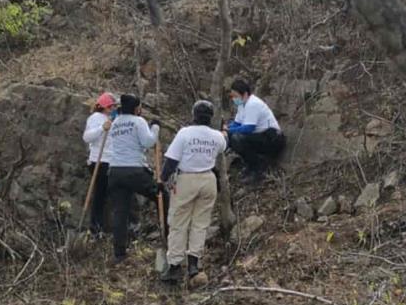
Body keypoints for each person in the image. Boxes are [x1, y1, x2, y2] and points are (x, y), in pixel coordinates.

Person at [160, 100, 227, 283]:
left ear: (194, 115)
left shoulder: (185, 133)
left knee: (178, 222)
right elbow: (223, 145)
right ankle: (193, 265)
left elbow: (171, 161)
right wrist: (224, 131)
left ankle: (174, 266)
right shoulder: (216, 136)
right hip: (208, 181)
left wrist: (161, 179)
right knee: (200, 223)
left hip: (186, 180)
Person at [106, 94, 165, 263]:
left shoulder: (116, 123)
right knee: (162, 196)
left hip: (115, 171)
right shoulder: (137, 121)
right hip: (134, 170)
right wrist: (155, 127)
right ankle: (168, 234)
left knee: (120, 212)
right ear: (135, 108)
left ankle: (119, 253)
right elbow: (148, 142)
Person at [224, 79, 285, 184]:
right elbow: (237, 123)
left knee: (237, 138)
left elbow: (249, 128)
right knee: (231, 136)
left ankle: (257, 170)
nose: (234, 99)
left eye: (236, 96)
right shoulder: (242, 105)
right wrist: (226, 128)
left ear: (245, 94)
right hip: (259, 137)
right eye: (232, 97)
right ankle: (250, 164)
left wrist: (230, 130)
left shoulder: (253, 104)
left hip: (272, 138)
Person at [82, 92, 117, 234]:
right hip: (99, 161)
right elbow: (87, 137)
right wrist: (102, 128)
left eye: (114, 106)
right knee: (100, 194)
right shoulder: (95, 118)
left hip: (112, 161)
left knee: (111, 194)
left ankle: (106, 226)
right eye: (110, 106)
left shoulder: (114, 118)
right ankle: (96, 226)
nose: (112, 108)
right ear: (103, 106)